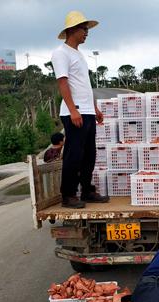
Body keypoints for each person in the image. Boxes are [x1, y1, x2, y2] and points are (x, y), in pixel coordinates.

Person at [51, 11, 109, 208]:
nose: (87, 33)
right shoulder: (61, 53)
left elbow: (85, 85)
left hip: (87, 111)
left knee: (89, 154)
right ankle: (68, 194)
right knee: (73, 154)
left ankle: (86, 190)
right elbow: (63, 83)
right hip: (74, 111)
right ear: (72, 30)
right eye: (84, 29)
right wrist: (73, 110)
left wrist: (95, 108)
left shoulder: (79, 55)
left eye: (86, 29)